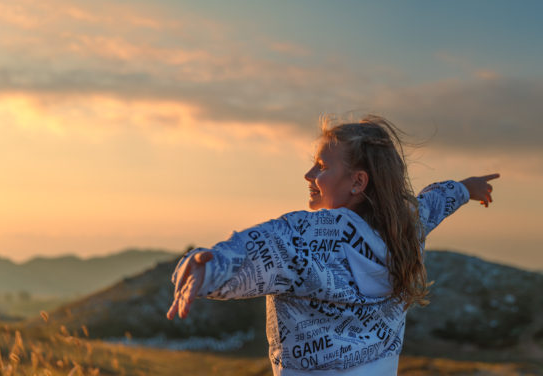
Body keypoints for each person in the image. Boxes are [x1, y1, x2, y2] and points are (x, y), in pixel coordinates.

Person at [167, 115, 499, 375]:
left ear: (358, 181)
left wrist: (207, 267)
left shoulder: (308, 234)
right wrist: (467, 188)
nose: (308, 174)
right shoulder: (405, 227)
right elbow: (434, 202)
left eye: (322, 167)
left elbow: (263, 247)